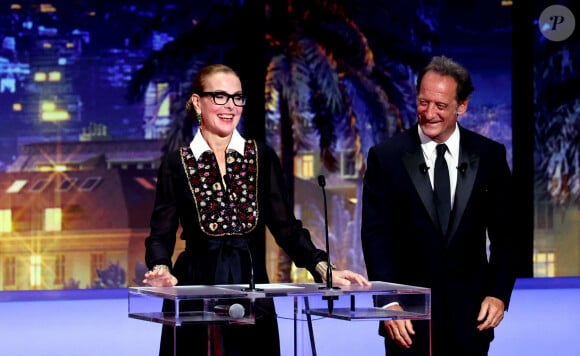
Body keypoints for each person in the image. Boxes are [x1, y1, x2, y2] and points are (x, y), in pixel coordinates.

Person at [142, 63, 369, 356]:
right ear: (198, 102)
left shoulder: (261, 157)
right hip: (195, 287)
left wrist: (323, 269)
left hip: (250, 284)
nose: (231, 106)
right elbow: (160, 234)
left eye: (237, 97)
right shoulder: (177, 163)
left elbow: (286, 228)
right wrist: (161, 269)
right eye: (220, 96)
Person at [361, 55, 517, 355]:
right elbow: (376, 236)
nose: (428, 113)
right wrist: (388, 301)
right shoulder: (386, 157)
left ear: (462, 106)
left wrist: (498, 294)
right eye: (423, 102)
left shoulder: (490, 156)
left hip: (472, 319)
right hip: (406, 320)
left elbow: (506, 236)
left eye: (440, 105)